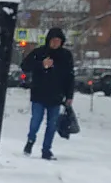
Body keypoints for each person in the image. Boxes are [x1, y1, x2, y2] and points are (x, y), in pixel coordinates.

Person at [20, 28, 75, 160]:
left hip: (56, 96)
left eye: (58, 41)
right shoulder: (39, 52)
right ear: (48, 40)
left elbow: (70, 76)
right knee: (36, 121)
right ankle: (30, 140)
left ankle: (46, 150)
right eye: (53, 40)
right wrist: (41, 65)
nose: (55, 43)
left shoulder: (66, 56)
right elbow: (25, 66)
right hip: (39, 94)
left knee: (52, 125)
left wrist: (69, 95)